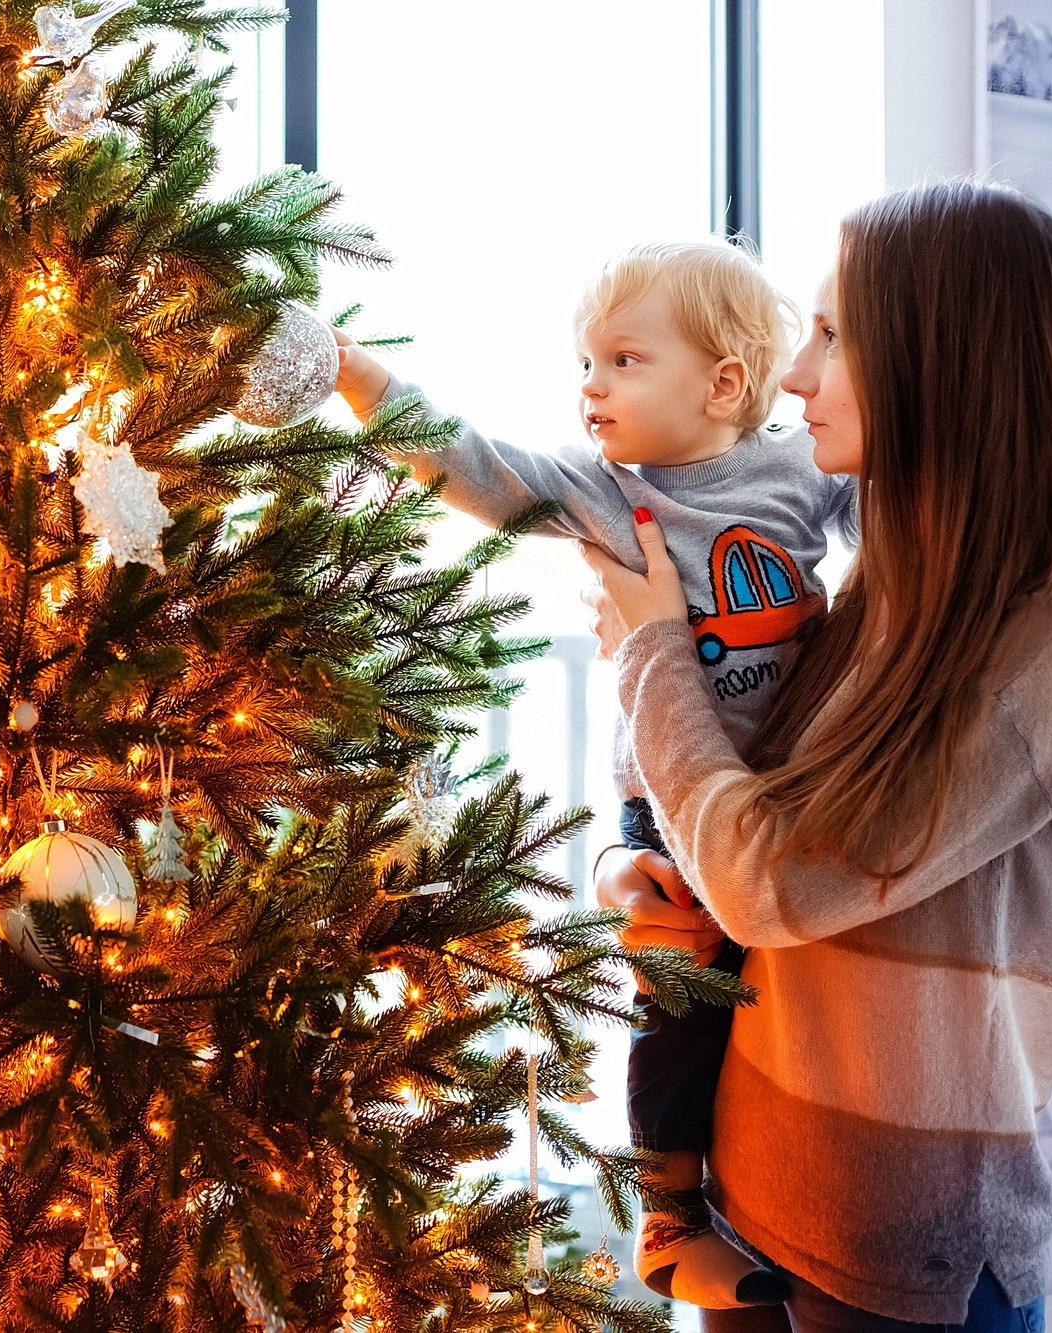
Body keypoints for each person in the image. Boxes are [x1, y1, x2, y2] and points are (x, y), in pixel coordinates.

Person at [580, 178, 1052, 1332]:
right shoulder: (877, 594)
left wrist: (651, 650)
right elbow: (739, 807)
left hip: (900, 1260)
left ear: (945, 363)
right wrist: (626, 861)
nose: (793, 374)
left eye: (833, 334)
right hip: (751, 1204)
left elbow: (773, 883)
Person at [335, 239, 855, 1309]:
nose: (590, 385)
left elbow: (905, 526)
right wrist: (352, 372)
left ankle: (744, 1197)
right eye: (586, 361)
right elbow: (471, 464)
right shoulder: (605, 493)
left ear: (720, 383)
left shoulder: (802, 472)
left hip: (785, 801)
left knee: (769, 1023)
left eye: (623, 360)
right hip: (668, 808)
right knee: (675, 1010)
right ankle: (666, 1222)